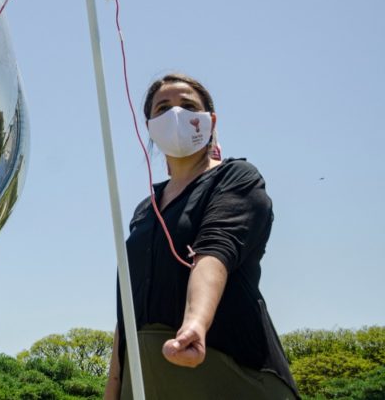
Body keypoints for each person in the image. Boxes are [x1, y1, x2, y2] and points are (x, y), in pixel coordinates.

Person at [105, 73, 299, 400]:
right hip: (145, 382)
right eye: (163, 108)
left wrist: (195, 323)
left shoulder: (235, 178)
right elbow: (128, 306)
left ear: (209, 121)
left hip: (223, 370)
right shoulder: (145, 210)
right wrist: (113, 387)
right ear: (150, 127)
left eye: (188, 105)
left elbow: (214, 253)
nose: (175, 114)